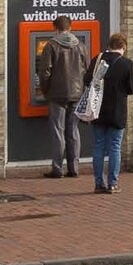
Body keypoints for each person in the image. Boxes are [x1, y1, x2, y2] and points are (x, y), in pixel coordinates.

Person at [85, 32, 133, 194]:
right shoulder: (126, 64)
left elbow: (87, 80)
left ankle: (98, 184)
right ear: (124, 47)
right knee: (115, 147)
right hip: (117, 111)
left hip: (97, 109)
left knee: (99, 146)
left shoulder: (98, 60)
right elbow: (132, 88)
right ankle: (113, 183)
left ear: (109, 45)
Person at [35, 16, 87, 178]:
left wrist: (45, 90)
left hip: (57, 94)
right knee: (73, 131)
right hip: (77, 94)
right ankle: (74, 168)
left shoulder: (51, 46)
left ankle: (57, 169)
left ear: (55, 28)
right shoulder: (81, 46)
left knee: (58, 131)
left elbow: (44, 72)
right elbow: (86, 70)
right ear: (70, 27)